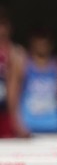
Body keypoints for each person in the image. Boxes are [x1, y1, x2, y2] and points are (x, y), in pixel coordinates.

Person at [19, 29, 57, 134]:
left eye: (44, 42)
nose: (41, 45)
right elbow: (14, 96)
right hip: (29, 128)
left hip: (56, 127)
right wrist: (19, 125)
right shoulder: (24, 65)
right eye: (38, 42)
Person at [0, 11, 28, 139]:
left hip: (6, 115)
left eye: (3, 24)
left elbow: (14, 90)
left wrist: (16, 120)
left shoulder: (15, 53)